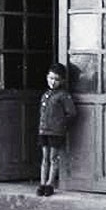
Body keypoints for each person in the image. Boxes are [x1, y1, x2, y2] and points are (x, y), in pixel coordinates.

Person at [37, 63, 77, 196]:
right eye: (50, 78)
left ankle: (50, 184)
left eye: (56, 79)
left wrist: (61, 124)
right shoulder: (46, 95)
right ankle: (42, 184)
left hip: (56, 132)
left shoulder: (63, 96)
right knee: (45, 158)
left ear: (62, 81)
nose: (52, 82)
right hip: (44, 130)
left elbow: (71, 113)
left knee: (53, 157)